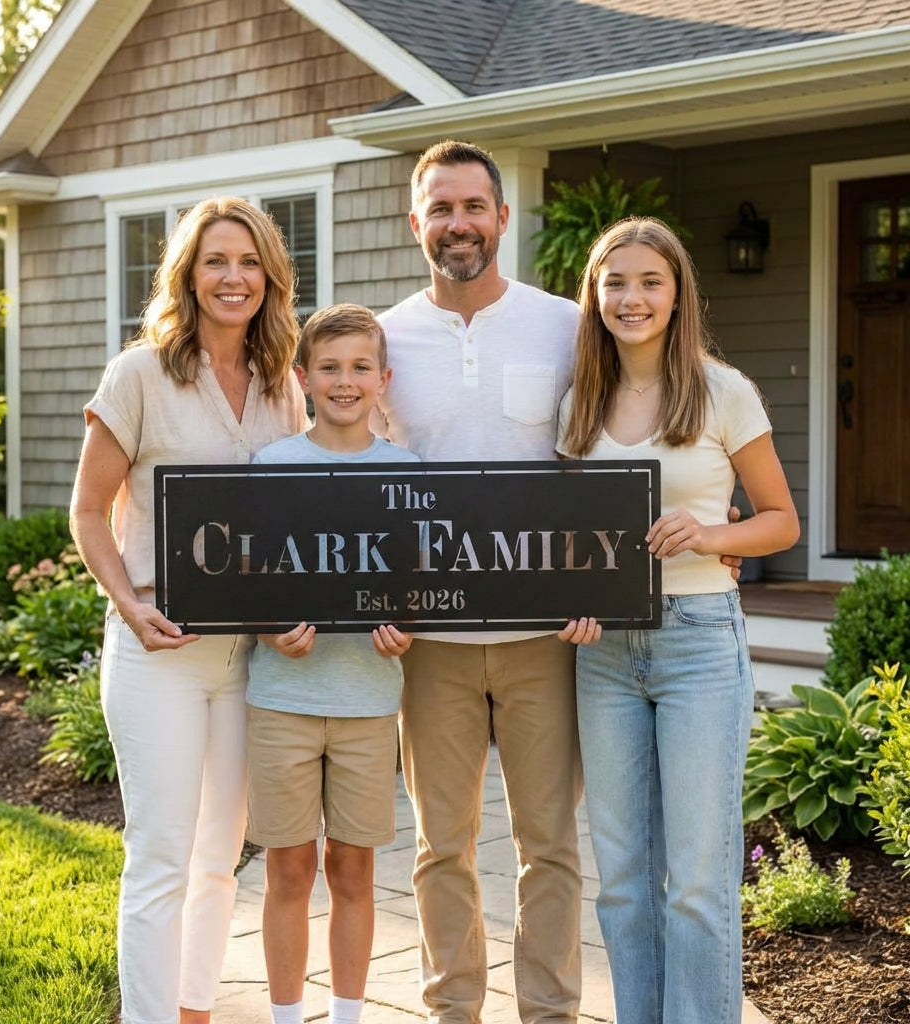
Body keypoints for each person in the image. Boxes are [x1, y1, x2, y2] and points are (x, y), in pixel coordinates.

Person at [373, 139, 599, 1024]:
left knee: (551, 846)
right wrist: (372, 601)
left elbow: (611, 451)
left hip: (545, 635)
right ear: (416, 221)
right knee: (442, 846)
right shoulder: (382, 339)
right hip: (429, 640)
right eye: (441, 208)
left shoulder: (566, 326)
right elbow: (359, 485)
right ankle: (452, 1009)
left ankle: (550, 1011)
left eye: (474, 206)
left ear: (503, 217)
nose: (458, 223)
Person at [68, 196, 309, 1024]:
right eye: (215, 261)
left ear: (270, 277)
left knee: (218, 858)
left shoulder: (283, 386)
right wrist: (128, 605)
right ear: (188, 275)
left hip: (247, 659)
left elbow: (295, 521)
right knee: (162, 858)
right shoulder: (139, 375)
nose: (233, 277)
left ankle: (195, 1010)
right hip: (158, 654)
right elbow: (88, 511)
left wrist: (299, 612)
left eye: (249, 262)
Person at [555, 216, 800, 1024]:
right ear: (595, 296)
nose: (632, 298)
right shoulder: (579, 403)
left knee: (697, 880)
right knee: (623, 881)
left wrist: (710, 535)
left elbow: (781, 522)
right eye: (615, 282)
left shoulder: (722, 390)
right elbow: (564, 538)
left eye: (650, 282)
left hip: (698, 641)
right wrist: (570, 597)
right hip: (604, 656)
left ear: (677, 293)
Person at [245, 302, 419, 1024]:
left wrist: (408, 629)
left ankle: (347, 1015)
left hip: (368, 702)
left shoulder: (409, 474)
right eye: (329, 369)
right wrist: (267, 630)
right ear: (303, 377)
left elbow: (422, 586)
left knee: (353, 869)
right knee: (287, 869)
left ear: (383, 380)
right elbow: (245, 582)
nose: (345, 382)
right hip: (281, 700)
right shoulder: (272, 466)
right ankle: (287, 1016)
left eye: (359, 368)